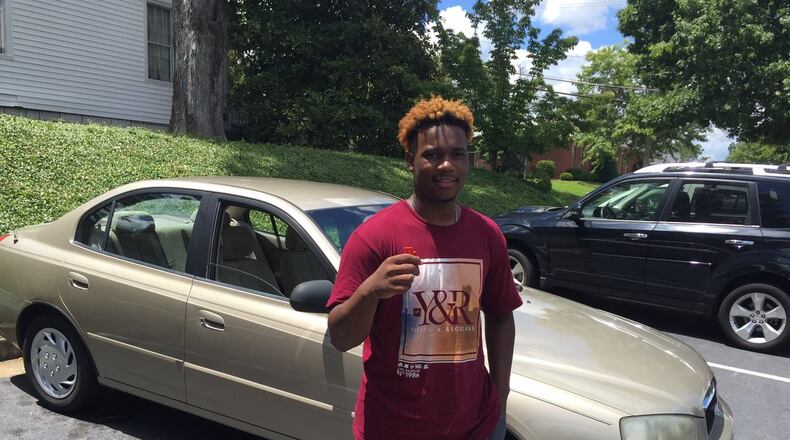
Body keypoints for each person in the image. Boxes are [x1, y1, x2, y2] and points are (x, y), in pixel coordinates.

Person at [327, 96, 522, 440]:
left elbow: (501, 315)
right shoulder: (374, 237)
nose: (446, 165)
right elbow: (341, 338)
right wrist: (370, 291)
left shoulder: (486, 234)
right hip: (390, 429)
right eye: (432, 155)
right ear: (410, 160)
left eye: (457, 154)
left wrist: (500, 396)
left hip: (474, 427)